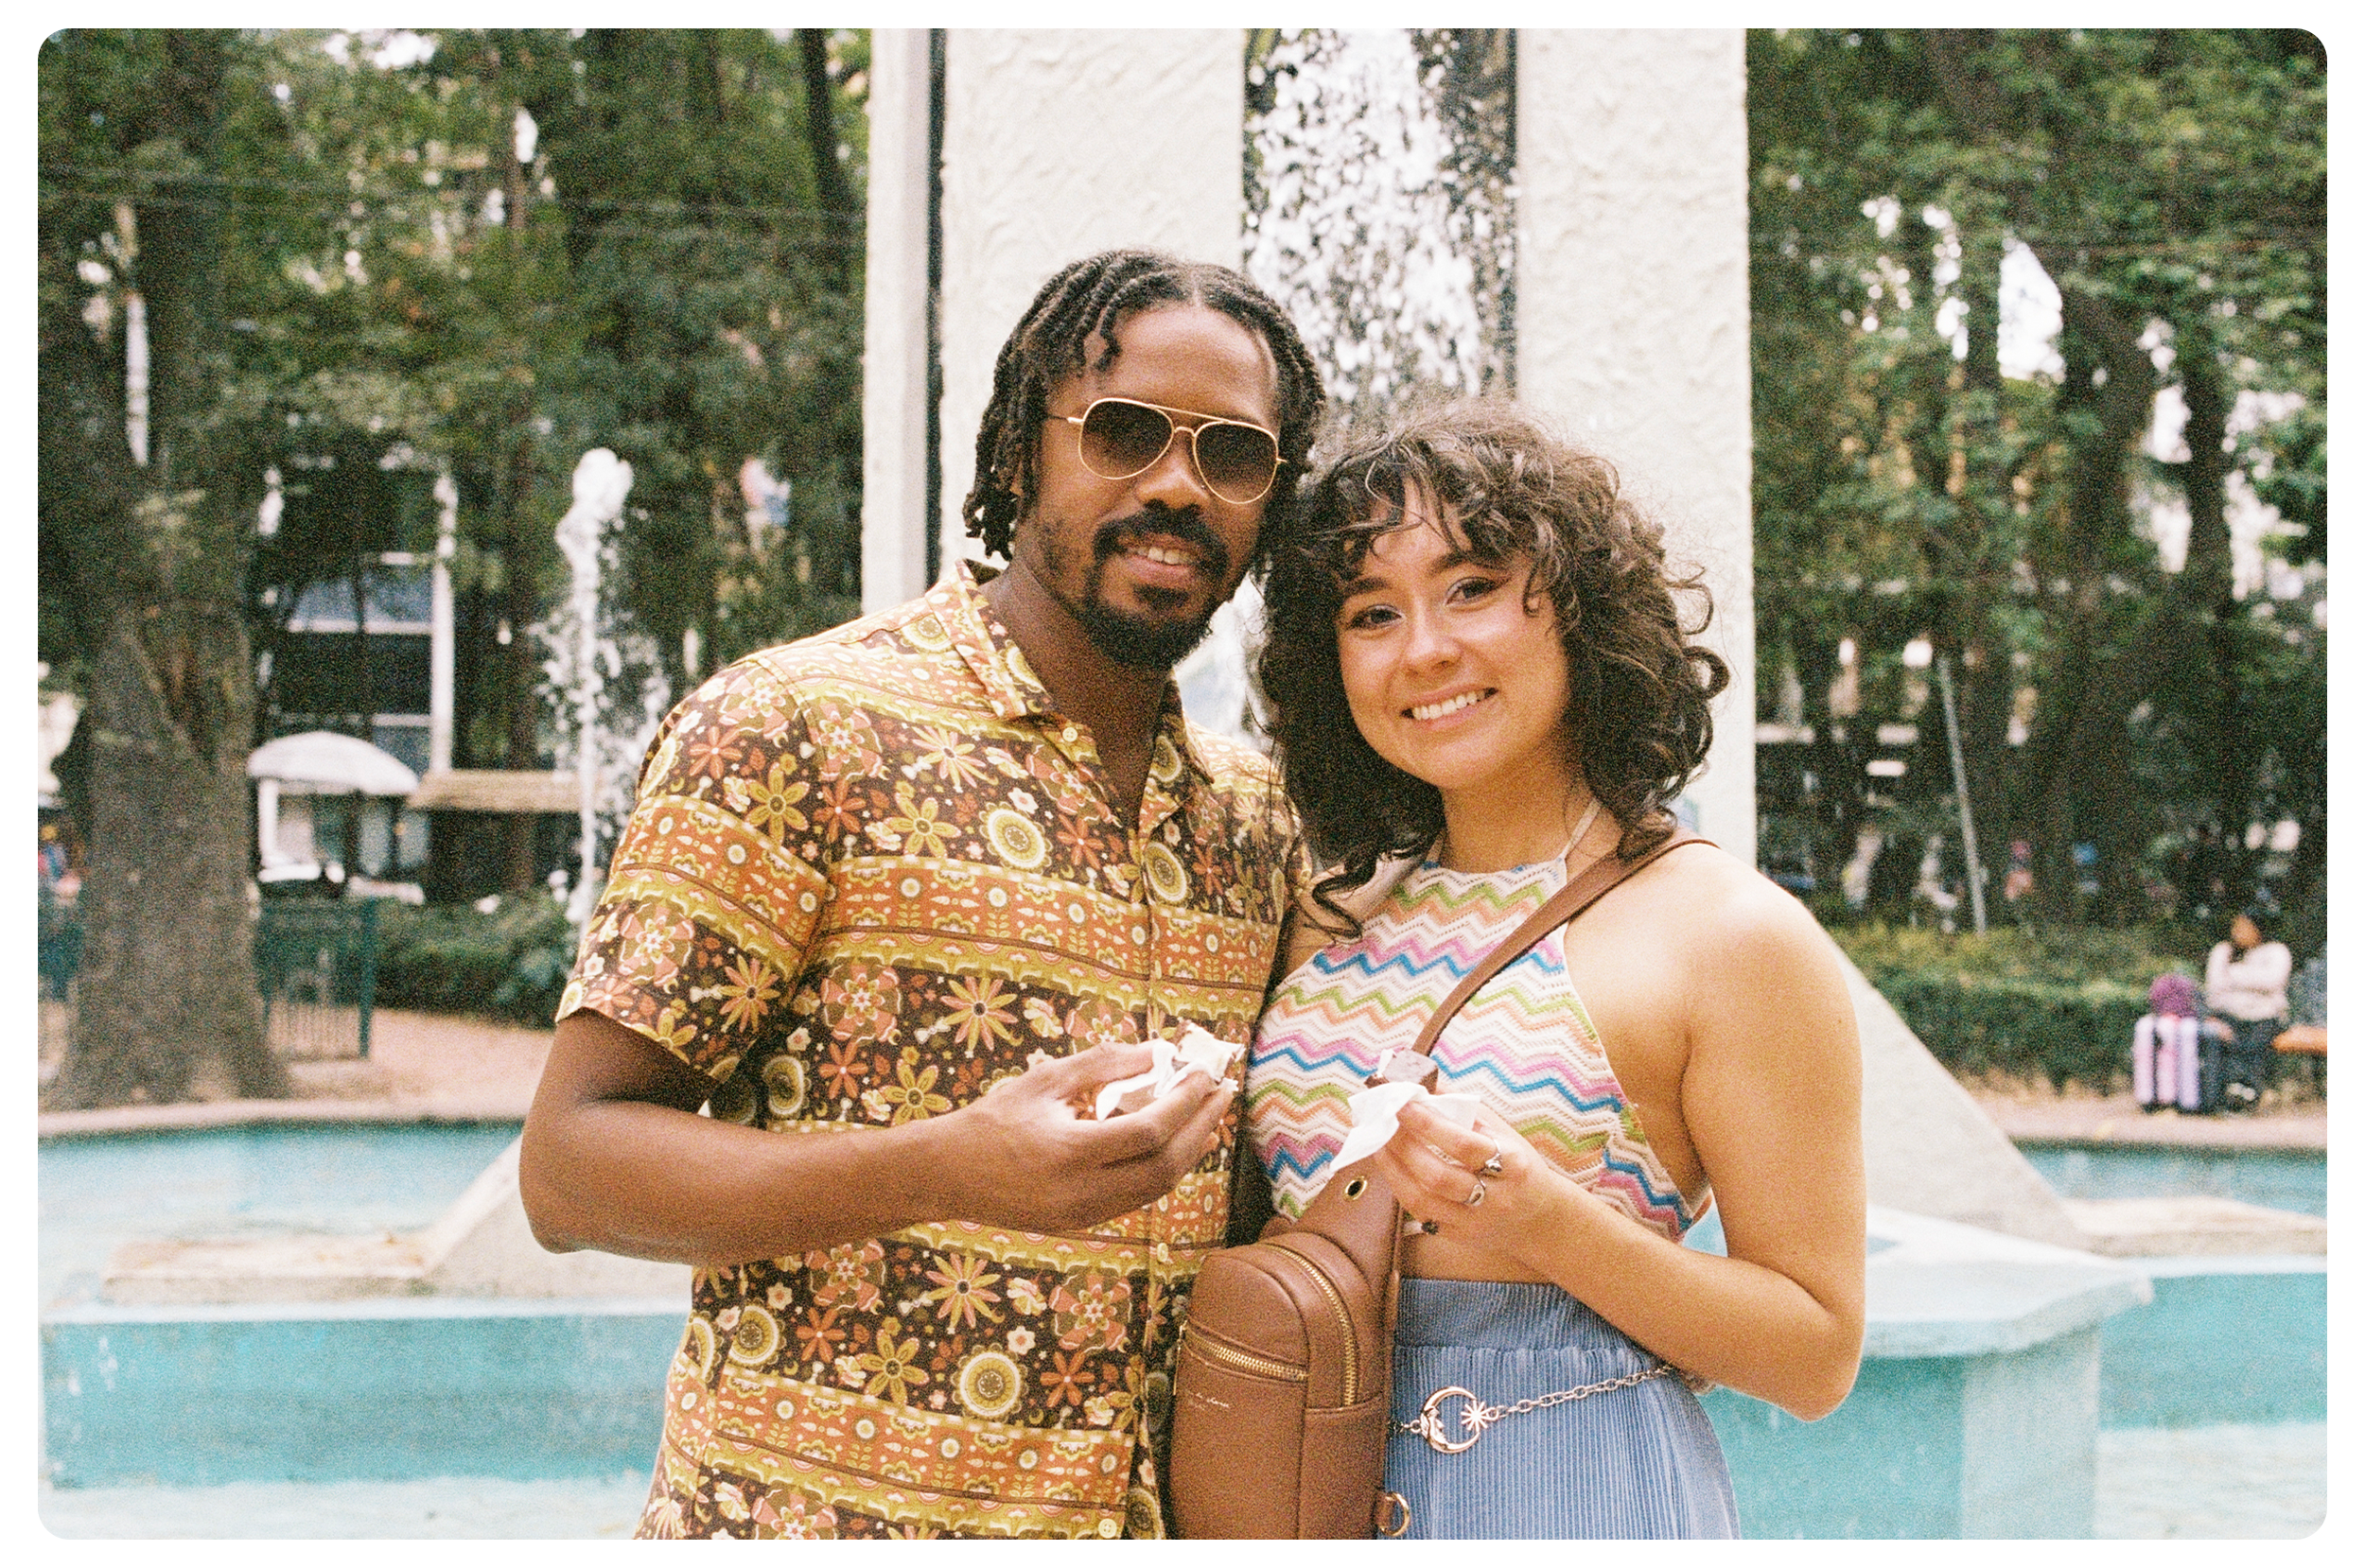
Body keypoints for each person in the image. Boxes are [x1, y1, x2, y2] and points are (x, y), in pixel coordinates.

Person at [519, 249, 1326, 1542]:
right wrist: (945, 1168)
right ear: (1019, 454)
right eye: (1124, 432)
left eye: (1233, 454)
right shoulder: (797, 727)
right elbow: (568, 1170)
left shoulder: (1257, 819)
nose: (1178, 484)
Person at [1246, 402, 1865, 1542]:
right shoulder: (1325, 921)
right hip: (1305, 1489)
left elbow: (1816, 1350)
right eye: (1371, 612)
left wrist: (1543, 1219)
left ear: (1578, 609)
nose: (1423, 647)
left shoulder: (1725, 934)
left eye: (1471, 586)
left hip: (1578, 1492)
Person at [2202, 910, 2291, 1111]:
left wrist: (2235, 975)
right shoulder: (2222, 951)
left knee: (2256, 1041)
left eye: (2244, 927)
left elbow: (2273, 981)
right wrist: (2252, 981)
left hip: (2265, 1015)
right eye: (2236, 927)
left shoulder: (2276, 951)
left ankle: (2249, 1091)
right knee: (2227, 1037)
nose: (2238, 932)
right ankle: (2228, 1092)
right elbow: (2215, 986)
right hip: (2229, 1013)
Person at [2133, 972, 2201, 1112]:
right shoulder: (2149, 1025)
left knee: (2182, 1041)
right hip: (2165, 1025)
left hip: (2181, 1025)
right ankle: (2151, 1098)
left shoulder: (2187, 1024)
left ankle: (2185, 1101)